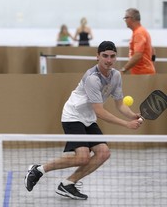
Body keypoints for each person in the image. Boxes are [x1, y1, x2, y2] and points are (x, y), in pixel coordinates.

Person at [24, 41, 143, 200]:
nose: (109, 60)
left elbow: (120, 105)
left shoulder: (116, 76)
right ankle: (38, 169)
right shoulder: (92, 78)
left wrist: (132, 116)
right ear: (97, 57)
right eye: (105, 56)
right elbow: (99, 111)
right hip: (73, 116)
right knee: (82, 157)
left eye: (112, 56)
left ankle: (67, 184)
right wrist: (126, 124)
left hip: (88, 118)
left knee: (103, 153)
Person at [120, 8, 156, 75]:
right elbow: (153, 50)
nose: (125, 20)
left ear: (132, 18)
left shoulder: (138, 33)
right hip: (145, 72)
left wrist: (123, 70)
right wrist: (151, 64)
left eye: (126, 18)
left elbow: (138, 55)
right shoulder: (142, 31)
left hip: (142, 74)